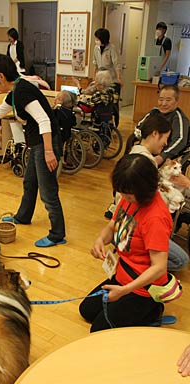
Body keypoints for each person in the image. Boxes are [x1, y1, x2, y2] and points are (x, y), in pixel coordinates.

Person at [0, 54, 66, 247]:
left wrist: (49, 152)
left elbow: (44, 120)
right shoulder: (15, 92)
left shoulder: (23, 91)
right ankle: (23, 216)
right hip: (37, 143)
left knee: (48, 192)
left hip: (46, 142)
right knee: (30, 182)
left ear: (1, 77)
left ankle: (57, 234)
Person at [79, 154, 172, 332]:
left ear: (143, 191)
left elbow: (159, 267)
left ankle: (152, 310)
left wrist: (125, 290)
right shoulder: (130, 197)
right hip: (122, 273)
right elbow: (113, 224)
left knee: (98, 330)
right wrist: (100, 239)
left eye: (127, 195)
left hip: (141, 288)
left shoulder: (156, 218)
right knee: (86, 310)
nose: (123, 198)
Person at [112, 114, 189, 272]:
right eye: (165, 138)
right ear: (155, 134)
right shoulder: (145, 164)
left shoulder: (138, 156)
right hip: (137, 224)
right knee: (181, 261)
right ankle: (136, 254)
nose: (166, 143)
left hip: (128, 224)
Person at [136, 84, 189, 167]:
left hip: (167, 157)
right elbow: (139, 127)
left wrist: (162, 157)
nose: (163, 104)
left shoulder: (179, 118)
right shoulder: (154, 112)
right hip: (148, 151)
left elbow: (180, 140)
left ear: (176, 101)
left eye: (168, 100)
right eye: (161, 99)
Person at [93, 28, 122, 126]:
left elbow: (117, 64)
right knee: (100, 101)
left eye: (97, 38)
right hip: (100, 77)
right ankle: (100, 123)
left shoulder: (112, 48)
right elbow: (95, 64)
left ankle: (115, 125)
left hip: (111, 78)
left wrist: (119, 78)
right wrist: (95, 77)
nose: (96, 40)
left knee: (113, 103)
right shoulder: (96, 48)